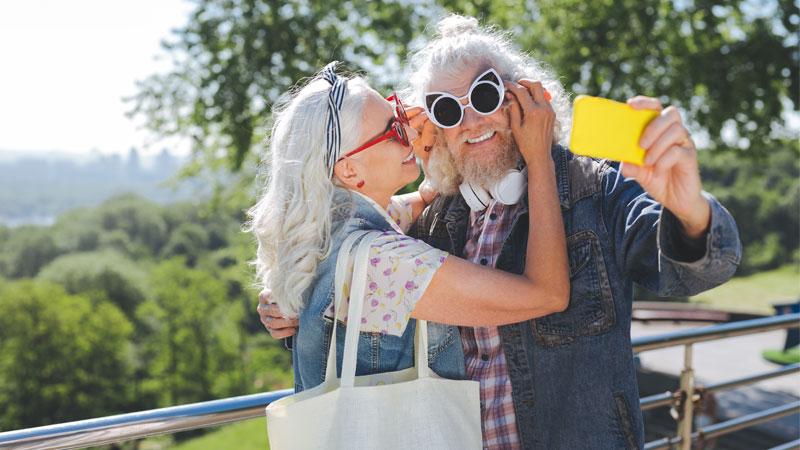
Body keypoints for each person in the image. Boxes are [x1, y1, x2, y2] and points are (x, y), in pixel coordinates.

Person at [261, 15, 743, 449]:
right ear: (436, 127)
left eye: (487, 96)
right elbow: (366, 312)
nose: (470, 121)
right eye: (447, 112)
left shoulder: (593, 191)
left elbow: (693, 272)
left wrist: (690, 212)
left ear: (527, 99)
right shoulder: (430, 225)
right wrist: (299, 311)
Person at [248, 61, 570, 395]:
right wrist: (539, 158)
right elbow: (547, 294)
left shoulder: (329, 232)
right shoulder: (383, 263)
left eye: (401, 116)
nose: (412, 135)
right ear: (350, 171)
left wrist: (436, 153)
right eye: (394, 130)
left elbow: (417, 201)